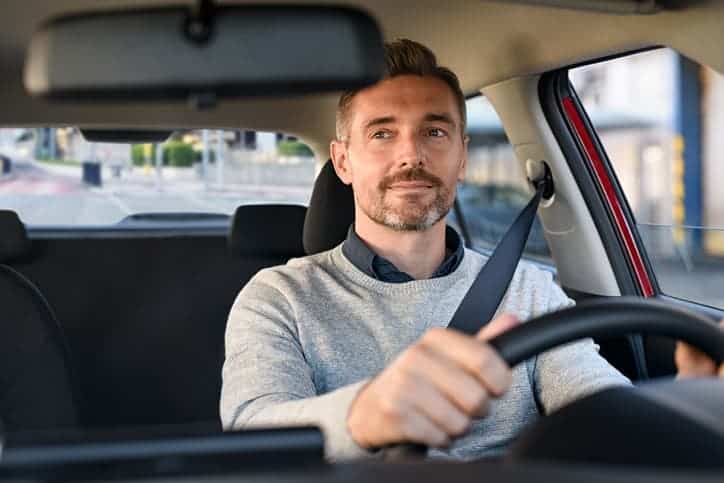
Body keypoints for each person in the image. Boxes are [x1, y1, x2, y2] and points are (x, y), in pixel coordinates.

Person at [220, 39, 724, 461]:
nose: (411, 154)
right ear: (343, 161)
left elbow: (595, 404)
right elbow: (251, 428)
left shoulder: (528, 289)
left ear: (462, 157)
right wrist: (365, 413)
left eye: (435, 132)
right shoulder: (279, 297)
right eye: (382, 133)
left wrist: (685, 400)